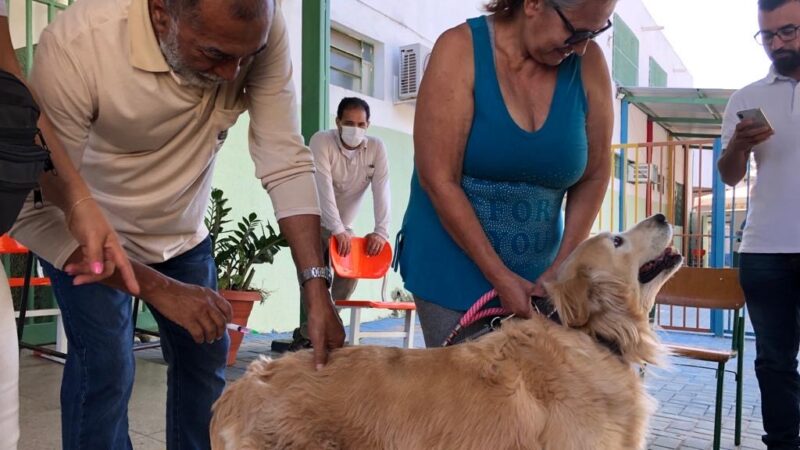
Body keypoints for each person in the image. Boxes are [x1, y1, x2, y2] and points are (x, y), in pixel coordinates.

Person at [10, 0, 345, 448]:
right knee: (107, 368)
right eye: (215, 55)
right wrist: (161, 290)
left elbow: (284, 159)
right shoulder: (79, 46)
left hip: (183, 234)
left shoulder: (254, 29)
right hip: (88, 236)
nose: (233, 75)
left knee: (204, 361)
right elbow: (38, 207)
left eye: (245, 58)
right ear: (161, 13)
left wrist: (316, 290)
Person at [396, 0, 614, 347]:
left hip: (543, 273)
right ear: (533, 4)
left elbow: (596, 174)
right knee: (471, 395)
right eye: (575, 31)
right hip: (453, 265)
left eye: (596, 32)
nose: (583, 46)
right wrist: (498, 276)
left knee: (537, 393)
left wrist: (562, 265)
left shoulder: (588, 64)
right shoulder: (459, 51)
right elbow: (438, 179)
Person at [0, 1, 138, 448]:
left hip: (94, 219)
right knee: (106, 358)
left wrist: (77, 197)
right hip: (52, 220)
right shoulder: (82, 37)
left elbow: (11, 91)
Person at [718, 0, 800, 447]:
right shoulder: (747, 98)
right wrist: (739, 146)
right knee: (773, 361)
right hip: (764, 250)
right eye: (767, 36)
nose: (777, 44)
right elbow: (729, 176)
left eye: (787, 31)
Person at [308, 97, 390, 302]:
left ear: (368, 125)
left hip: (345, 226)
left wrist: (381, 231)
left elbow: (382, 190)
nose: (356, 129)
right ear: (338, 122)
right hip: (313, 221)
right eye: (349, 123)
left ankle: (332, 321)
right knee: (315, 279)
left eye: (361, 124)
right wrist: (337, 230)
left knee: (350, 273)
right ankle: (315, 331)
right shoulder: (321, 141)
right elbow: (323, 188)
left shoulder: (376, 148)